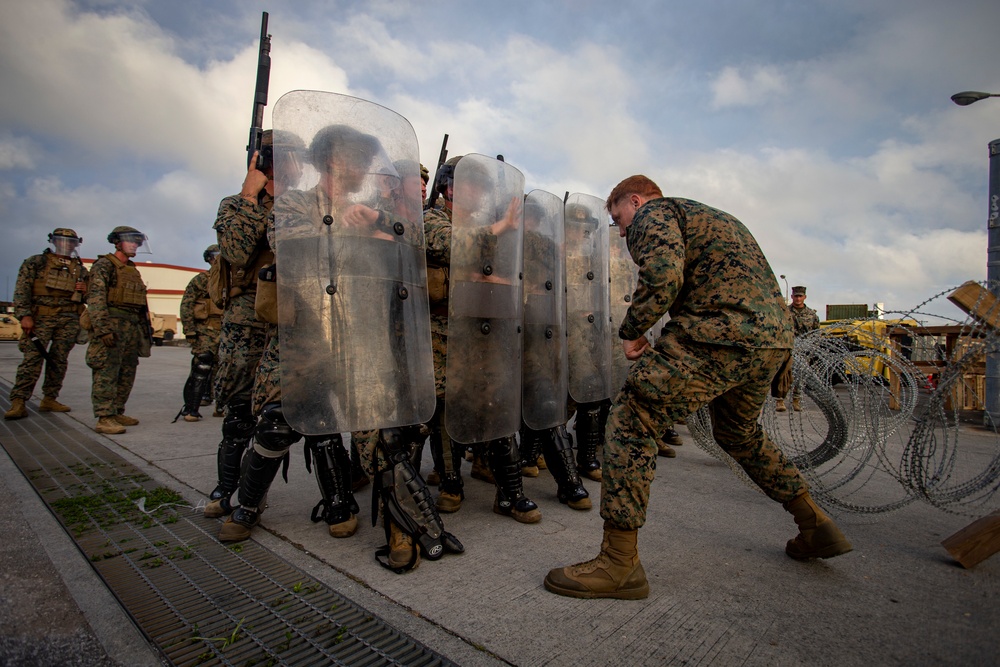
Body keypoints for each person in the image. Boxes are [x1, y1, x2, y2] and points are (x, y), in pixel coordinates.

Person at [544, 175, 852, 600]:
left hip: (719, 333)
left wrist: (633, 330)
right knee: (739, 434)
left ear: (635, 201)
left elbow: (663, 275)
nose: (620, 229)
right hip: (771, 341)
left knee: (633, 422)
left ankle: (619, 564)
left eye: (618, 218)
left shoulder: (656, 212)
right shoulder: (715, 217)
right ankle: (814, 523)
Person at [203, 131, 277, 519]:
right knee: (239, 410)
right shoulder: (236, 203)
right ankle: (226, 488)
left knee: (278, 415)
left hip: (287, 313)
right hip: (246, 316)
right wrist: (251, 196)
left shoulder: (302, 205)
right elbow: (234, 251)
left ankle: (252, 494)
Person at [4, 229, 88, 420]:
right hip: (40, 318)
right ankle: (19, 401)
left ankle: (49, 398)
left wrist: (85, 289)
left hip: (68, 319)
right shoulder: (36, 262)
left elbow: (90, 297)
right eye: (62, 241)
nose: (66, 245)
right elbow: (21, 290)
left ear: (76, 244)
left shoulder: (80, 269)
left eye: (71, 242)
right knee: (32, 360)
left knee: (58, 361)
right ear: (54, 242)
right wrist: (24, 315)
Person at [85, 226, 152, 435]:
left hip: (131, 328)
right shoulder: (105, 265)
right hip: (112, 325)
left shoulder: (132, 269)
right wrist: (103, 329)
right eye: (131, 241)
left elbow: (140, 305)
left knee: (127, 371)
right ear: (117, 243)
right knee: (106, 371)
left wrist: (144, 333)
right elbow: (96, 298)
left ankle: (117, 411)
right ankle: (104, 417)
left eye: (137, 242)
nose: (135, 245)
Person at [176, 245, 224, 422]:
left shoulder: (229, 281)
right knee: (201, 366)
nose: (219, 259)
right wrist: (189, 330)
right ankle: (191, 409)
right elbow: (187, 304)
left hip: (224, 330)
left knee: (224, 370)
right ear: (209, 259)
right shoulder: (201, 280)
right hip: (205, 329)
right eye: (215, 256)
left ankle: (220, 406)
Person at [777, 285, 821, 412]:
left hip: (804, 351)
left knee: (800, 376)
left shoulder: (812, 315)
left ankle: (796, 400)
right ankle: (780, 400)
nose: (798, 298)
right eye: (796, 296)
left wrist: (813, 350)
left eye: (800, 296)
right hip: (788, 349)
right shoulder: (785, 312)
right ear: (792, 297)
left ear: (805, 297)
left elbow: (816, 333)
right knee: (784, 375)